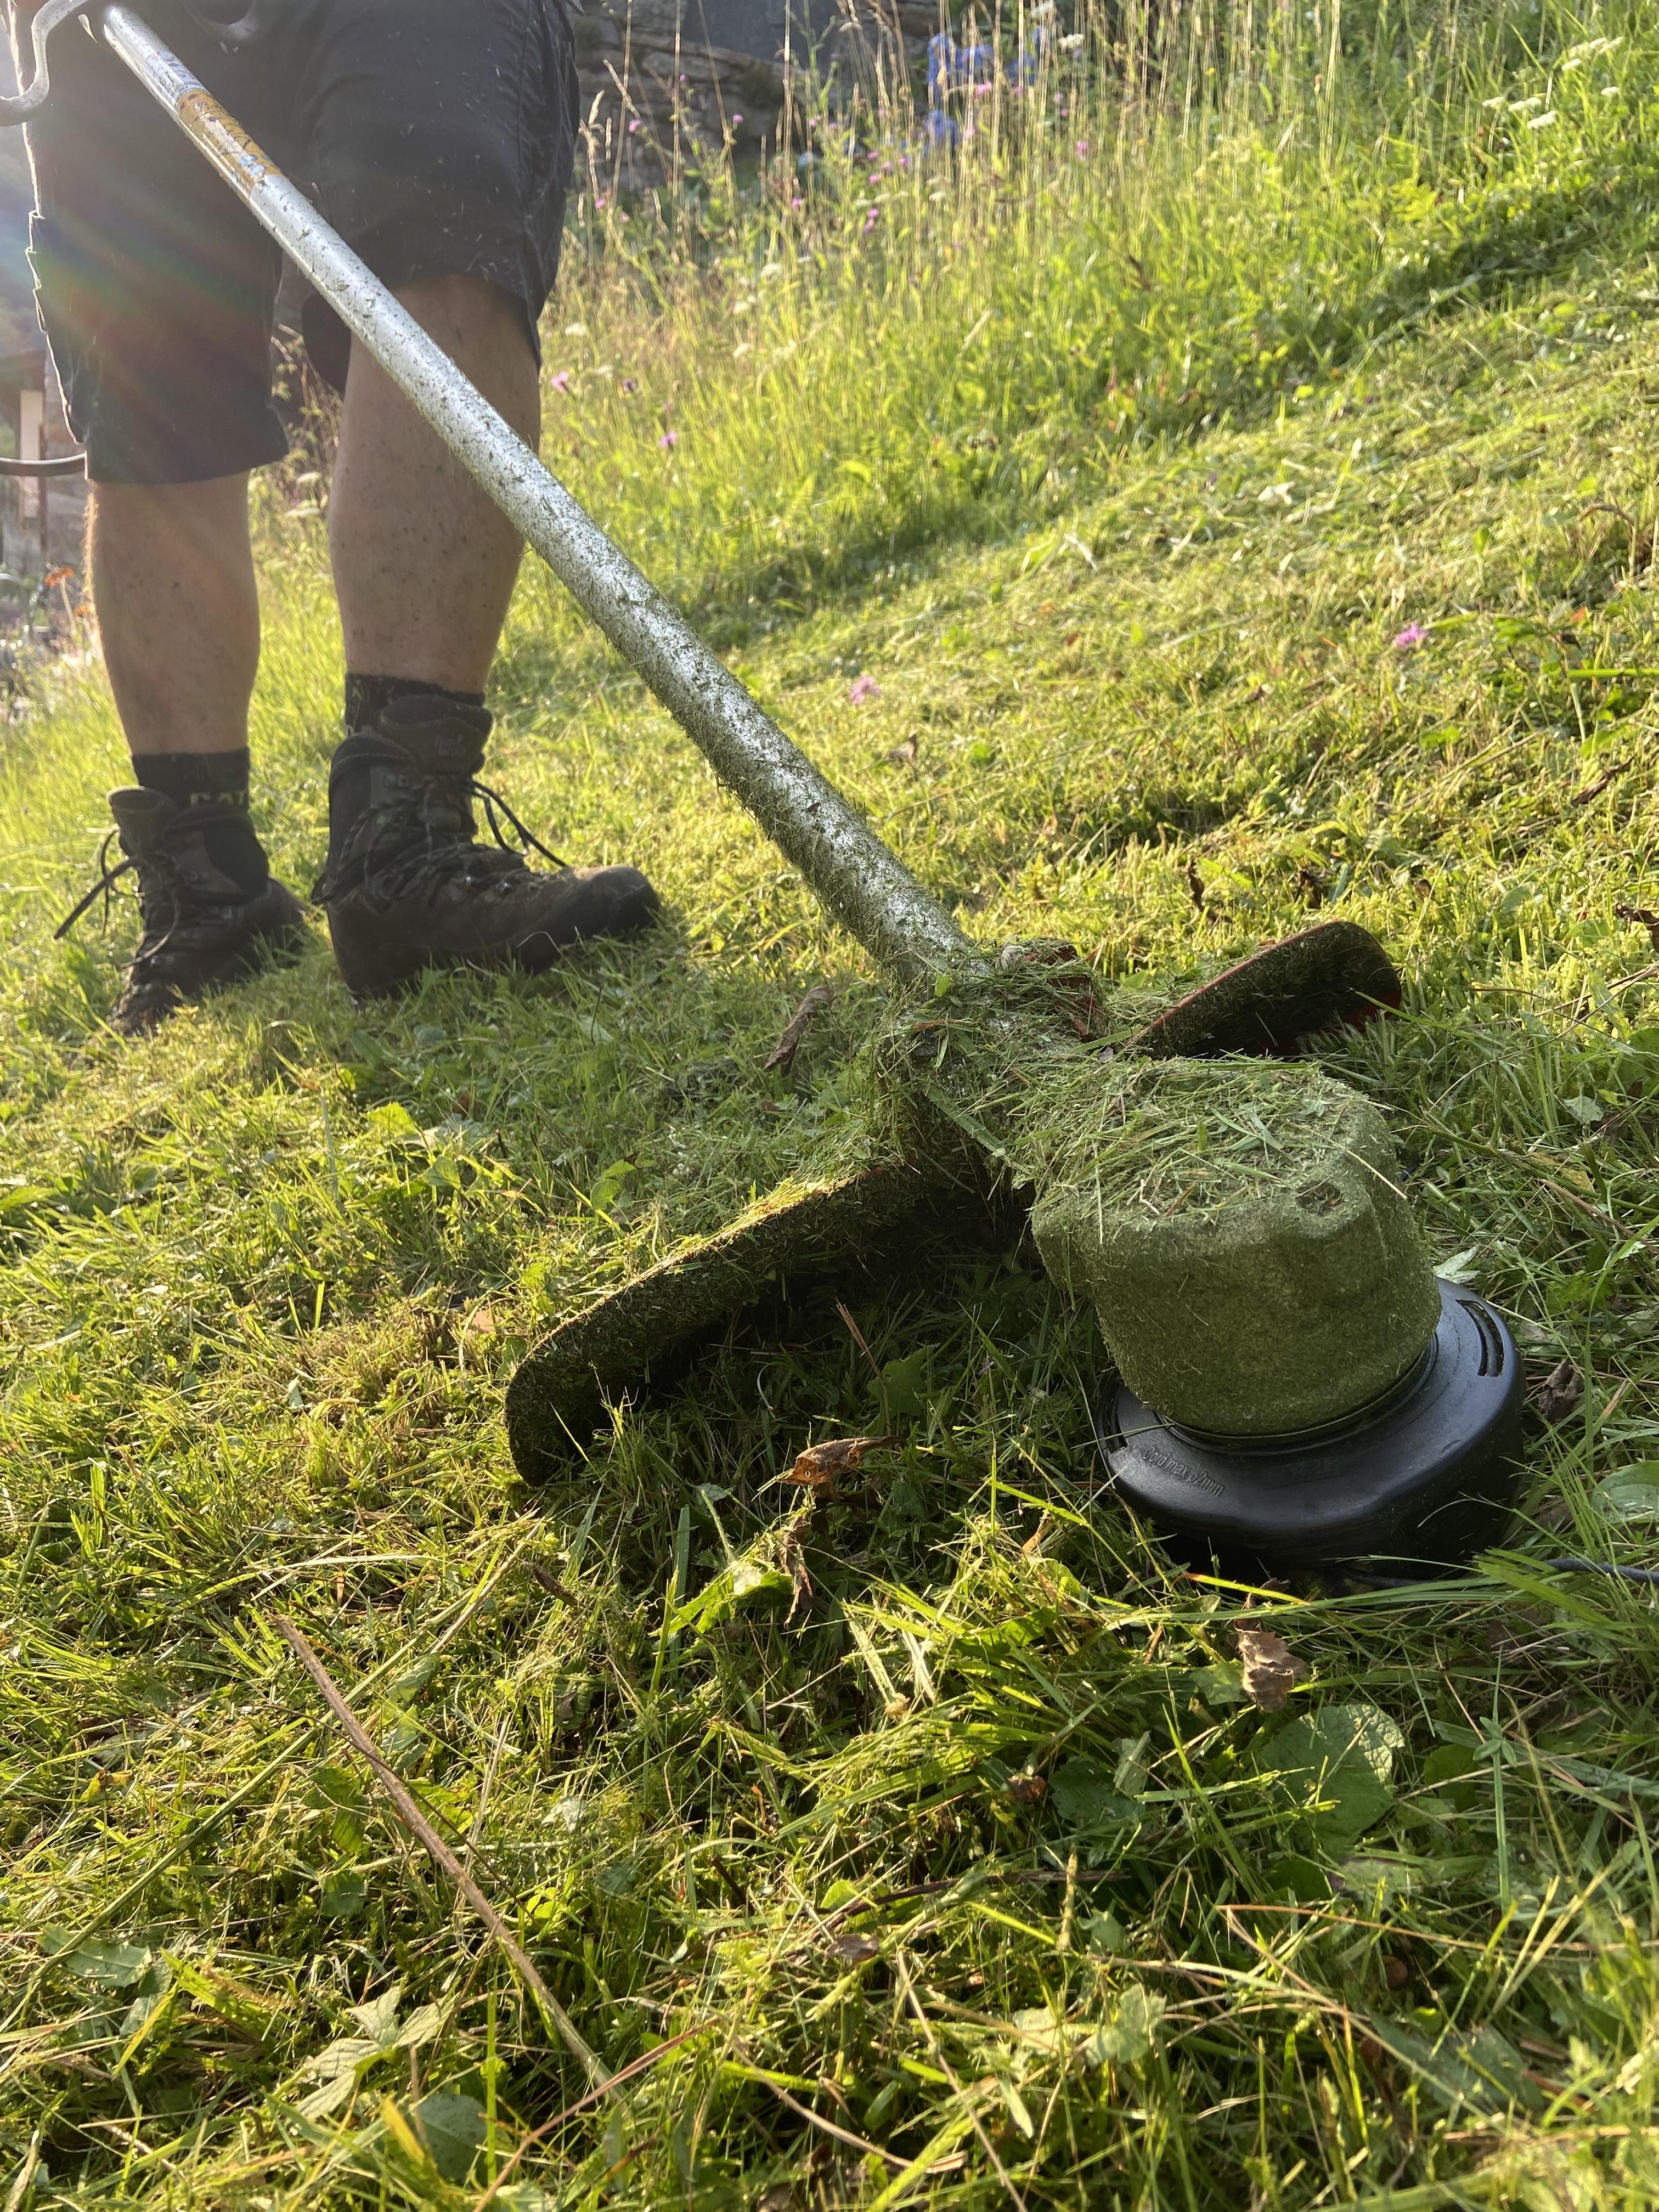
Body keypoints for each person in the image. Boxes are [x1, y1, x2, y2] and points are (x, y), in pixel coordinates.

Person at [21, 0, 659, 1034]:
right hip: (103, 19)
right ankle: (206, 887)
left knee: (444, 221)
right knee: (145, 393)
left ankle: (400, 843)